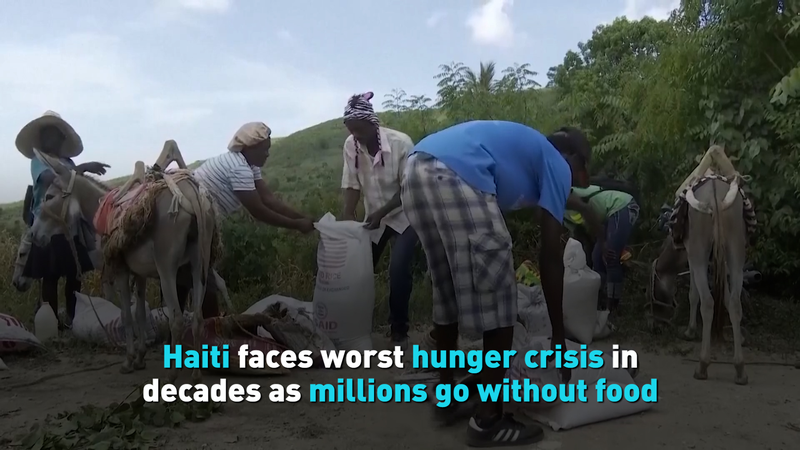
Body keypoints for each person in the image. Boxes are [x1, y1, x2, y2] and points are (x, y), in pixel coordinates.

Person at [401, 121, 591, 447]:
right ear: (573, 157)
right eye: (582, 172)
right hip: (455, 173)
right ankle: (488, 420)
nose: (575, 182)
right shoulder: (557, 162)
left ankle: (447, 399)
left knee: (446, 291)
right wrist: (559, 338)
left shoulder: (526, 155)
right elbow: (550, 256)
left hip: (415, 169)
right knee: (503, 295)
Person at [177, 122, 315, 316]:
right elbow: (258, 210)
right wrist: (297, 224)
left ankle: (176, 319)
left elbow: (269, 199)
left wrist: (304, 218)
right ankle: (211, 328)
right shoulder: (239, 168)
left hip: (197, 217)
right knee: (202, 275)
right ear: (249, 148)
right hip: (192, 218)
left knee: (186, 270)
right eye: (264, 150)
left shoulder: (248, 164)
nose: (267, 154)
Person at [15, 111, 110, 329]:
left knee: (74, 275)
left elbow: (76, 185)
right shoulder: (38, 160)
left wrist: (79, 172)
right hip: (47, 223)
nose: (51, 139)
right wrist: (82, 168)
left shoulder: (67, 162)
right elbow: (51, 178)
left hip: (69, 224)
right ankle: (52, 323)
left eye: (55, 134)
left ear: (61, 138)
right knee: (50, 275)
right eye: (47, 134)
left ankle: (73, 318)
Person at [340, 92, 419, 350]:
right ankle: (354, 328)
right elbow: (351, 183)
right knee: (359, 270)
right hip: (374, 216)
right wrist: (348, 216)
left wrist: (382, 212)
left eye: (359, 129)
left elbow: (408, 188)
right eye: (351, 130)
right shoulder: (351, 145)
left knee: (398, 269)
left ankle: (399, 332)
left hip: (405, 214)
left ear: (373, 124)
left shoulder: (401, 144)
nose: (356, 135)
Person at [565, 187, 640, 313]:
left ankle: (612, 308)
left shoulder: (569, 195)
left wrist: (604, 243)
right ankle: (598, 300)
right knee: (597, 259)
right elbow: (581, 238)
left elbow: (588, 212)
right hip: (605, 218)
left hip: (621, 206)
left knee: (610, 256)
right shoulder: (562, 214)